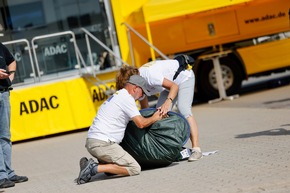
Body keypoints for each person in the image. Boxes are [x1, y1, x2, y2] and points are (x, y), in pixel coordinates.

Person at [76, 75, 163, 185]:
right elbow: (141, 124)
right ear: (135, 88)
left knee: (111, 172)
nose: (142, 97)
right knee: (134, 168)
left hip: (93, 142)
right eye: (142, 93)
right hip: (103, 144)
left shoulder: (118, 95)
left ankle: (93, 165)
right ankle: (94, 168)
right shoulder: (127, 99)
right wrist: (156, 117)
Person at [116, 55, 203, 162]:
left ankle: (196, 149)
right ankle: (171, 146)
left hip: (184, 77)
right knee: (159, 114)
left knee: (183, 109)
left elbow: (174, 86)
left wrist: (168, 101)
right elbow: (145, 110)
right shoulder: (138, 85)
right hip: (170, 84)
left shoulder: (149, 75)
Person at [0, 42, 28, 189]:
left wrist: (10, 77)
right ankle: (1, 175)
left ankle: (9, 173)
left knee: (5, 136)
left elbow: (11, 61)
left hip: (3, 94)